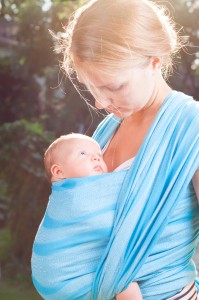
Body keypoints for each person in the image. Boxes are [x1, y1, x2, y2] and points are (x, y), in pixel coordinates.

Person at [56, 0, 199, 299]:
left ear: (154, 61)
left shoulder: (191, 127)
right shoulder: (108, 129)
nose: (100, 103)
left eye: (114, 86)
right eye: (90, 88)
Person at [31, 133, 143, 300]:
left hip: (50, 278)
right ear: (58, 171)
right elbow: (110, 225)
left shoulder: (79, 192)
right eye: (83, 154)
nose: (96, 158)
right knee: (123, 279)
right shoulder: (72, 197)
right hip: (64, 277)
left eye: (99, 155)